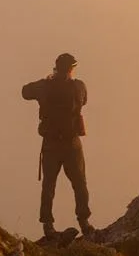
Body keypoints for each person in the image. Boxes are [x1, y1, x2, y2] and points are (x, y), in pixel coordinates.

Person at [22, 52, 90, 241]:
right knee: (79, 183)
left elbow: (25, 92)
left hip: (51, 143)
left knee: (49, 185)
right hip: (72, 143)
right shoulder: (79, 86)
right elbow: (84, 101)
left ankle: (48, 225)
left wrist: (46, 80)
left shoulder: (45, 86)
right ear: (71, 69)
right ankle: (84, 222)